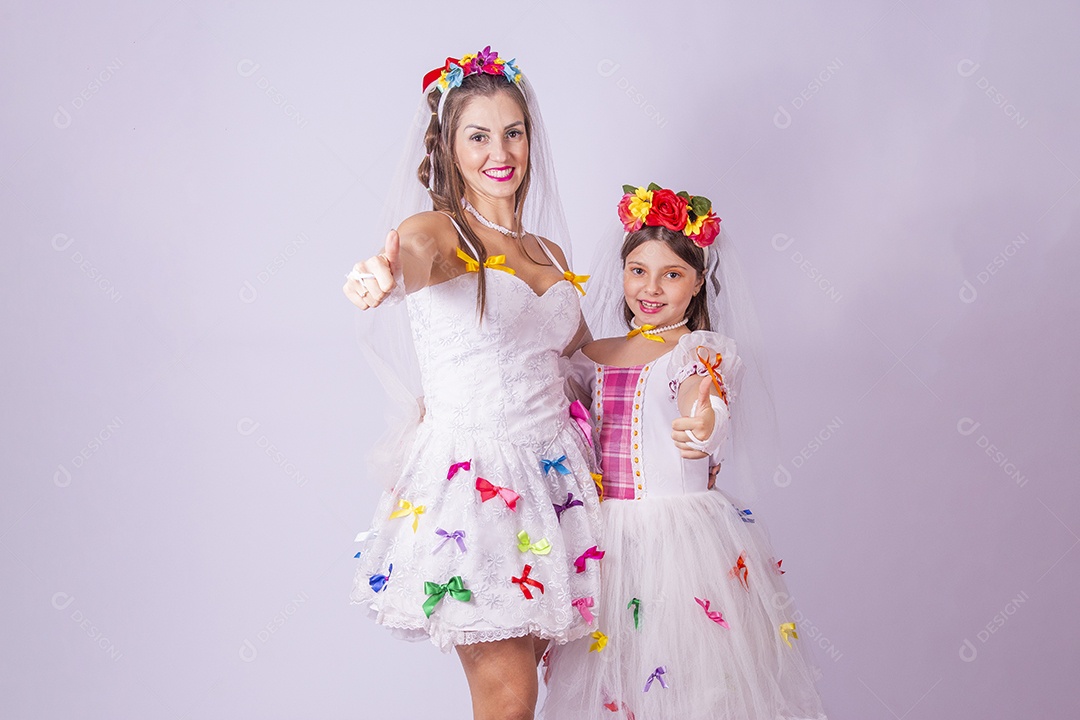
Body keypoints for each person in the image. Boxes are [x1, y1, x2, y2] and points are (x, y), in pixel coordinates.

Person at [342, 48, 604, 720]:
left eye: (513, 132)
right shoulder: (439, 231)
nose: (501, 151)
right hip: (481, 490)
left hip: (559, 489)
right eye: (479, 135)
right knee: (508, 699)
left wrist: (673, 354)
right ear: (449, 147)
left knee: (556, 692)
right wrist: (377, 273)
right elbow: (404, 254)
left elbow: (579, 360)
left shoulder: (550, 254)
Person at [541, 184, 829, 719]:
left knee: (686, 676)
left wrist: (703, 426)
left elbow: (706, 404)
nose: (651, 288)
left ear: (698, 282)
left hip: (678, 537)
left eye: (672, 274)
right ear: (622, 271)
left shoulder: (697, 352)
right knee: (615, 678)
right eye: (638, 270)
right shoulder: (592, 355)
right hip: (606, 538)